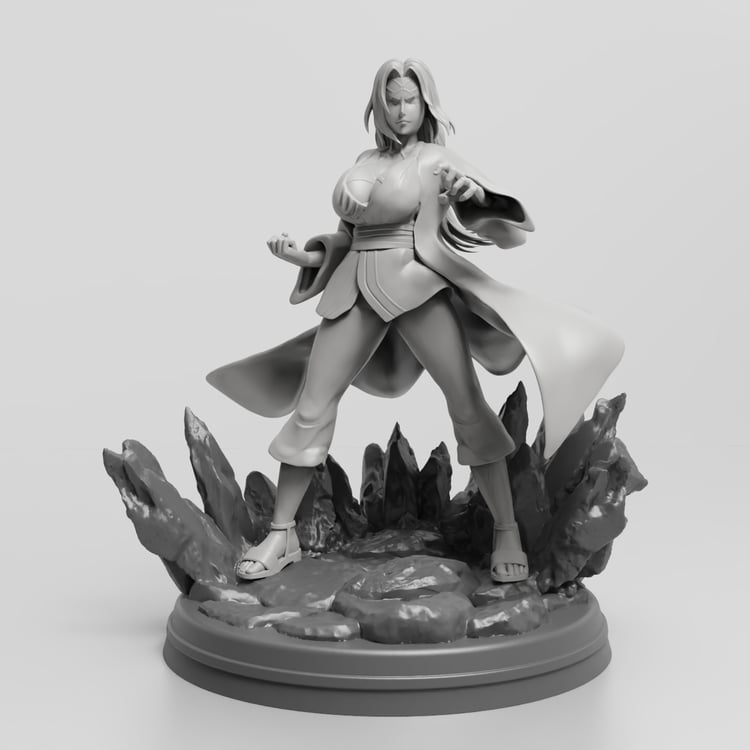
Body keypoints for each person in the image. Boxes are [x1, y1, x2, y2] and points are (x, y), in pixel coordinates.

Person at [207, 58, 623, 584]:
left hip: (417, 287)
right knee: (312, 406)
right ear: (378, 105)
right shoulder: (364, 160)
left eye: (410, 100)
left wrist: (470, 196)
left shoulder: (435, 160)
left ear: (425, 103)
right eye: (393, 101)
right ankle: (281, 533)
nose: (402, 111)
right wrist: (303, 257)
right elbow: (347, 237)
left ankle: (505, 531)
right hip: (354, 289)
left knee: (467, 405)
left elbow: (511, 230)